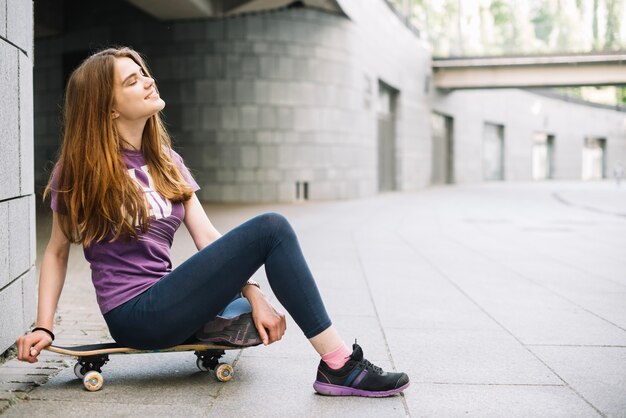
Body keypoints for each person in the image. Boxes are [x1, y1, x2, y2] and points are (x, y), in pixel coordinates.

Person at [15, 47, 409, 397]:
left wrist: (256, 296)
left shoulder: (167, 162)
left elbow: (208, 238)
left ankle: (225, 317)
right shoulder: (79, 169)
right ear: (109, 107)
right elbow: (56, 253)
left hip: (170, 294)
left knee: (247, 308)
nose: (149, 81)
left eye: (144, 72)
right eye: (133, 80)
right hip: (136, 313)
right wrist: (44, 327)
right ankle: (340, 365)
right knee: (272, 227)